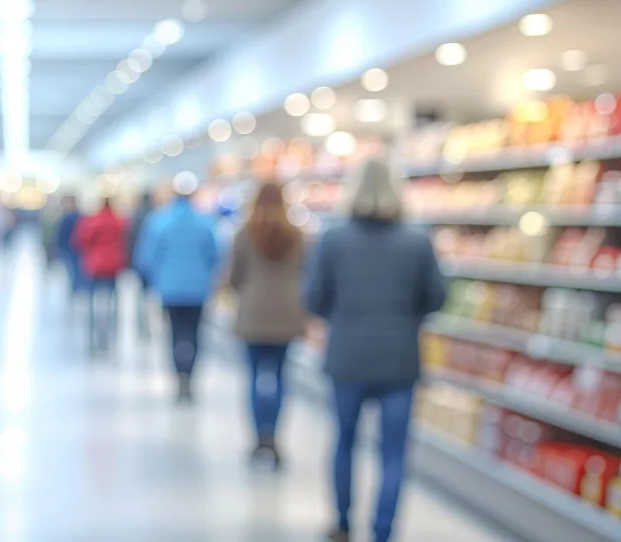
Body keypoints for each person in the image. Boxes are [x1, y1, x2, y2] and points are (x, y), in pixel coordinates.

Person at [304, 158, 447, 542]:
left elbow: (314, 298)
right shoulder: (417, 241)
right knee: (394, 453)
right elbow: (436, 297)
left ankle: (342, 522)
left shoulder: (333, 239)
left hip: (347, 356)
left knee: (344, 440)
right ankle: (383, 531)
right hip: (399, 359)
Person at [228, 182, 308, 468]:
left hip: (252, 315)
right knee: (279, 376)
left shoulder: (244, 234)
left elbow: (234, 277)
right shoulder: (298, 235)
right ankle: (275, 435)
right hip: (286, 315)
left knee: (253, 377)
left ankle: (258, 437)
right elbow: (306, 273)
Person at [135, 172, 221, 402]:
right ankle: (190, 375)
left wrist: (154, 281)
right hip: (198, 289)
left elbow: (147, 258)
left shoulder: (159, 220)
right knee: (194, 333)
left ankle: (178, 376)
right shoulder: (205, 221)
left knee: (174, 332)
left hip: (170, 288)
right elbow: (215, 255)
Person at [73, 197, 128, 354]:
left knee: (92, 299)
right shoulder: (119, 221)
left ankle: (93, 334)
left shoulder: (93, 221)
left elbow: (81, 240)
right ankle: (111, 332)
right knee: (112, 298)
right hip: (114, 263)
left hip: (95, 263)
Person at [126, 191, 155, 338]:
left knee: (141, 294)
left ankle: (142, 324)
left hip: (139, 260)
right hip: (152, 262)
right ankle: (150, 324)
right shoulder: (156, 216)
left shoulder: (136, 216)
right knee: (152, 295)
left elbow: (130, 238)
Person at [56, 196, 88, 298]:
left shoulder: (68, 217)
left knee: (75, 270)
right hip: (70, 248)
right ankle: (77, 289)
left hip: (74, 248)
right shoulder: (78, 216)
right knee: (74, 270)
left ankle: (77, 289)